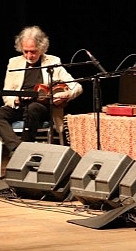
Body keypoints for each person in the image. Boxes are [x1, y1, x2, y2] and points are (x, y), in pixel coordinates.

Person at [0, 26, 83, 155]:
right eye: (25, 51)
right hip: (20, 106)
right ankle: (18, 149)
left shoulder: (53, 61)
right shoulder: (14, 63)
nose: (29, 55)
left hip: (42, 107)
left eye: (33, 51)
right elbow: (7, 93)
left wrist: (65, 94)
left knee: (33, 108)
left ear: (42, 48)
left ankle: (25, 148)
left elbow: (77, 87)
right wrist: (17, 100)